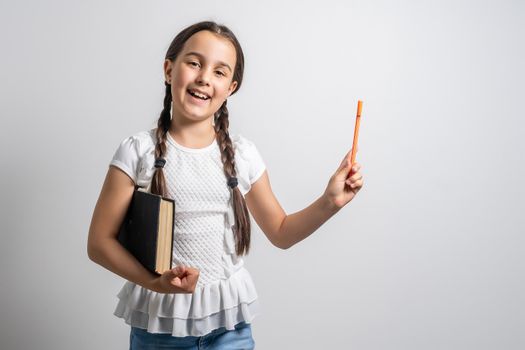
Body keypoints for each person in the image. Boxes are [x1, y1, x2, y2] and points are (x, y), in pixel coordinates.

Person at [87, 20, 363, 350]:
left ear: (230, 88)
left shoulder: (242, 155)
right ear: (168, 69)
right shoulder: (137, 151)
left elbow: (281, 231)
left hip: (229, 330)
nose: (204, 77)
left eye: (220, 72)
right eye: (194, 62)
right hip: (159, 331)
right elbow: (99, 243)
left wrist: (329, 202)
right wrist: (155, 284)